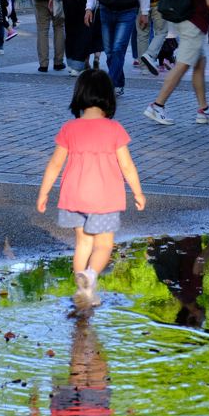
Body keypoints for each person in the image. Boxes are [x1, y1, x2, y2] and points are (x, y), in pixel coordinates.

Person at [36, 68, 145, 307]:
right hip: (105, 199)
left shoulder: (69, 128)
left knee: (83, 244)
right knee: (104, 244)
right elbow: (127, 165)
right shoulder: (115, 129)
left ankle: (82, 292)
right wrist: (137, 192)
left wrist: (44, 193)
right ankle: (91, 277)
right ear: (109, 97)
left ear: (79, 96)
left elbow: (55, 165)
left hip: (74, 197)